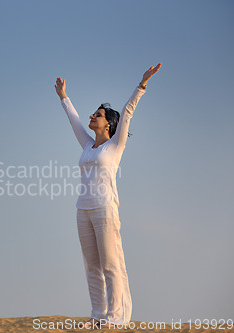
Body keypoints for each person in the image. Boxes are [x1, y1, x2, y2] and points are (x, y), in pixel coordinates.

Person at [54, 64, 162, 328]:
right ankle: (97, 316)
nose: (93, 117)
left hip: (105, 209)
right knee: (91, 266)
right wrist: (63, 97)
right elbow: (74, 120)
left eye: (98, 115)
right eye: (93, 113)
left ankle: (115, 318)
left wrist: (142, 84)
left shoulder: (115, 145)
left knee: (110, 265)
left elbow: (127, 112)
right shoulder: (87, 144)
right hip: (83, 209)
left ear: (109, 123)